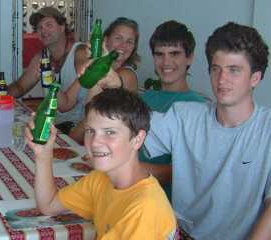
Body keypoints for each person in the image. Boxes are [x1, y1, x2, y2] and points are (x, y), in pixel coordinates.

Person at [144, 22, 271, 239]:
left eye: (234, 70)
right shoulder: (184, 115)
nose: (222, 80)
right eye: (216, 69)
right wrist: (107, 84)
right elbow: (125, 129)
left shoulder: (267, 129)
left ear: (255, 78)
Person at [26, 88, 176, 239]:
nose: (95, 142)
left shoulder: (143, 209)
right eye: (90, 131)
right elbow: (49, 205)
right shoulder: (100, 179)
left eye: (109, 132)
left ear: (137, 139)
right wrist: (43, 154)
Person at [139, 20, 208, 199]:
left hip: (161, 208)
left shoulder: (197, 108)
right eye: (159, 54)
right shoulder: (147, 97)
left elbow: (183, 172)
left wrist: (125, 168)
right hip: (127, 193)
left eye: (174, 53)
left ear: (190, 57)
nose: (166, 62)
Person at [59, 17, 141, 142]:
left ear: (134, 47)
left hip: (102, 142)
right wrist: (48, 80)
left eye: (130, 41)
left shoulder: (127, 75)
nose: (123, 45)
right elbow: (65, 104)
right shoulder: (94, 65)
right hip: (81, 134)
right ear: (105, 40)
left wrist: (68, 141)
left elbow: (92, 117)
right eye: (118, 38)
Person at [7, 7, 88, 128]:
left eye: (49, 25)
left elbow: (65, 105)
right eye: (39, 27)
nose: (43, 30)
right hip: (52, 125)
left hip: (78, 128)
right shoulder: (42, 56)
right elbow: (20, 86)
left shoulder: (80, 52)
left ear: (62, 27)